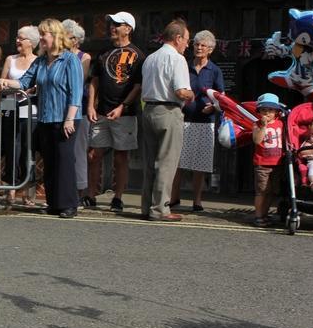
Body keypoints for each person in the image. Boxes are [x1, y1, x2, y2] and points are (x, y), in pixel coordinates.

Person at [0, 19, 84, 218]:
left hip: (65, 118)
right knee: (50, 162)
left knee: (64, 161)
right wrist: (6, 82)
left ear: (54, 35)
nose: (41, 38)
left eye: (44, 34)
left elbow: (76, 92)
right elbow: (24, 82)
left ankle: (69, 204)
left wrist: (69, 119)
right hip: (46, 118)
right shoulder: (41, 61)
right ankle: (54, 203)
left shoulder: (70, 60)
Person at [85, 12, 144, 212]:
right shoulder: (103, 53)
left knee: (121, 157)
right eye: (112, 23)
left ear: (128, 28)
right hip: (101, 112)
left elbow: (138, 86)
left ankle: (118, 197)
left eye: (117, 24)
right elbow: (94, 80)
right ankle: (90, 195)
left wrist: (122, 107)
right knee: (94, 154)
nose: (112, 27)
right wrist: (90, 106)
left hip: (125, 114)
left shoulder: (138, 55)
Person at [140, 19, 193, 221]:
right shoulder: (177, 59)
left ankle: (146, 207)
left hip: (148, 110)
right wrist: (192, 94)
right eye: (186, 40)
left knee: (149, 162)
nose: (187, 44)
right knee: (166, 163)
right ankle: (160, 209)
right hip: (169, 111)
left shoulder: (150, 58)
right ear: (178, 38)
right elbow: (180, 92)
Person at [170, 30, 225, 212]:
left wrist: (213, 107)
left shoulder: (214, 71)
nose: (199, 48)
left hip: (205, 122)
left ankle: (197, 201)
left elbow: (221, 97)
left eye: (203, 45)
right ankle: (174, 198)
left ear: (210, 50)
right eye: (196, 44)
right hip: (183, 119)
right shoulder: (183, 66)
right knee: (178, 162)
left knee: (199, 164)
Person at [0, 25, 39, 207]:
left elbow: (37, 85)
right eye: (17, 37)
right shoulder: (10, 59)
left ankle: (28, 191)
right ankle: (11, 190)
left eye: (21, 38)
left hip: (29, 108)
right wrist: (4, 86)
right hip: (10, 106)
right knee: (11, 149)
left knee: (27, 148)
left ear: (31, 42)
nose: (17, 41)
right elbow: (2, 82)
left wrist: (31, 90)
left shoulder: (38, 61)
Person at [62, 19, 92, 204]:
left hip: (78, 109)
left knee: (78, 151)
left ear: (76, 39)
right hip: (60, 109)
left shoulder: (84, 57)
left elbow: (80, 81)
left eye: (68, 36)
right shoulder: (59, 56)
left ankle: (80, 190)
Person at [252, 93, 285, 226]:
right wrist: (264, 126)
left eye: (271, 110)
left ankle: (264, 214)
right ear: (259, 111)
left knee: (272, 191)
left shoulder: (281, 124)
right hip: (262, 164)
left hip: (277, 163)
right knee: (262, 191)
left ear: (277, 111)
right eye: (264, 110)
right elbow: (257, 140)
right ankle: (258, 216)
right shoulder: (257, 124)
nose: (267, 113)